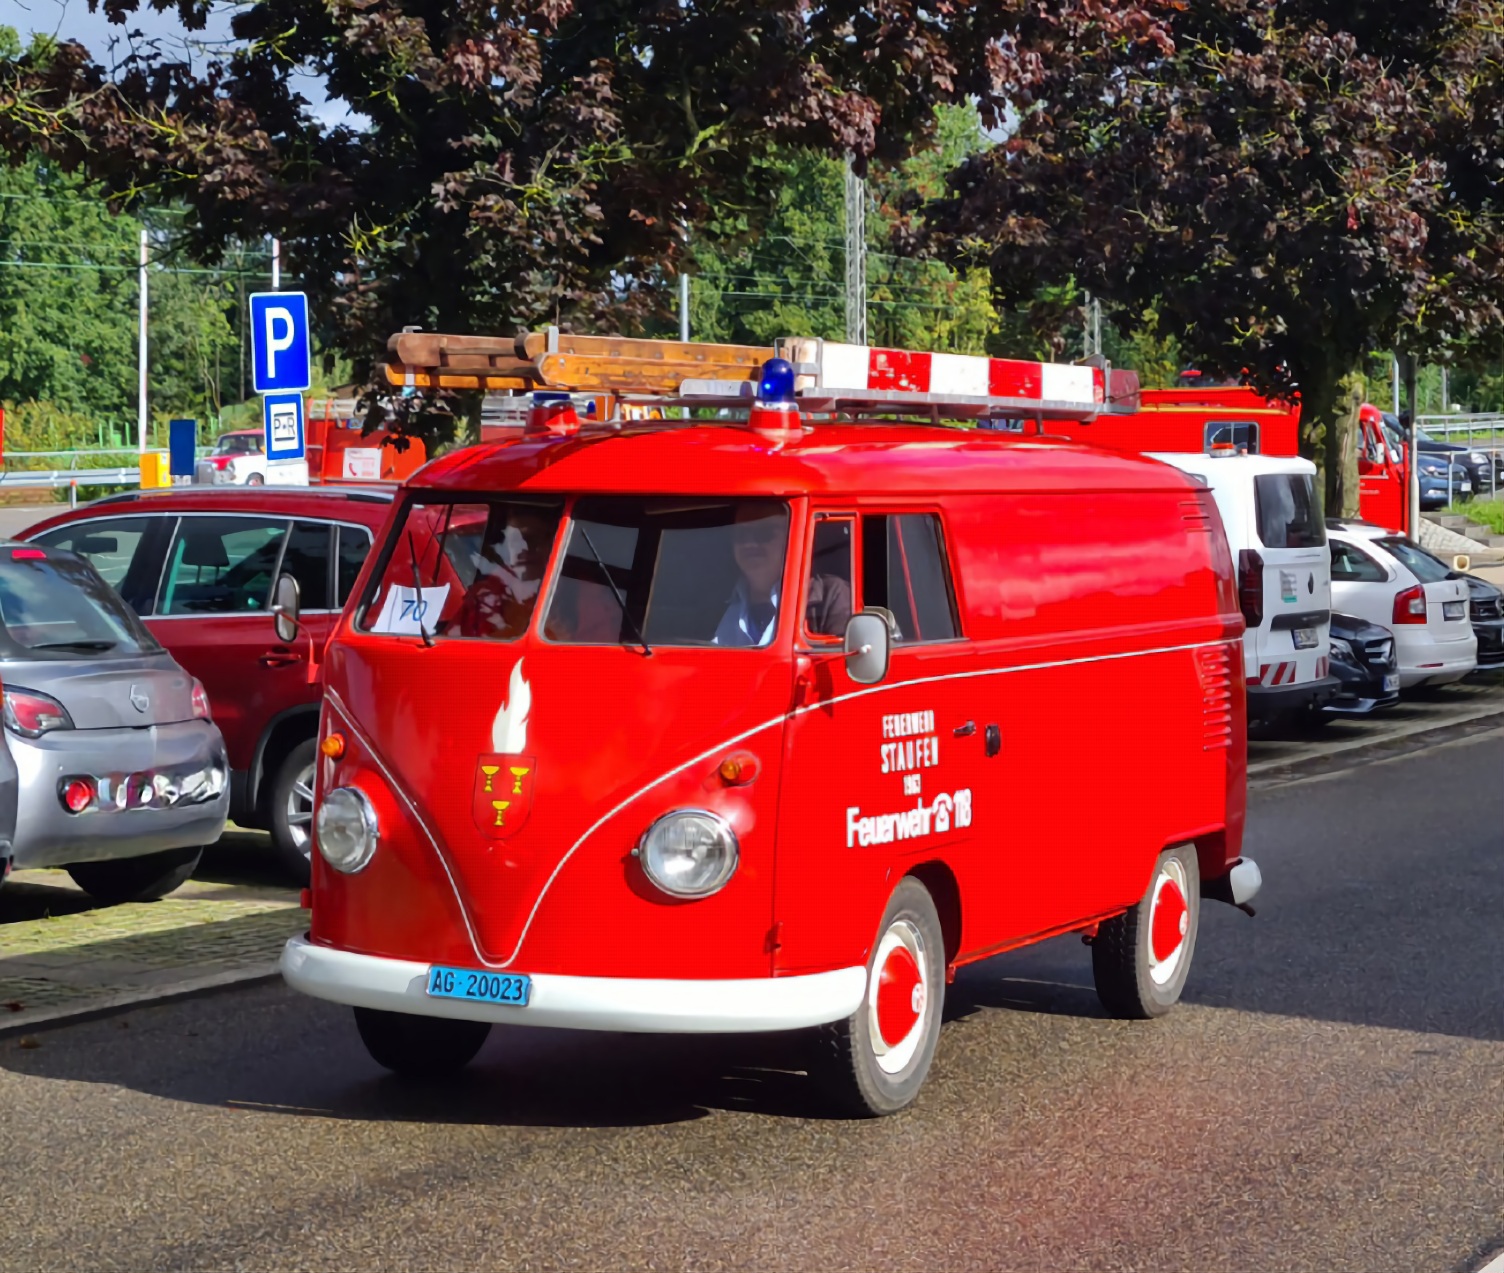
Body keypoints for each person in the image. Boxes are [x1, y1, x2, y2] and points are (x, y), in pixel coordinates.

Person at [714, 502, 852, 647]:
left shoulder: (831, 595)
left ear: (791, 536)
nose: (749, 543)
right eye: (741, 535)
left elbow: (843, 664)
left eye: (763, 533)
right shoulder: (714, 601)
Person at [449, 503, 559, 639]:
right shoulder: (484, 597)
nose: (522, 549)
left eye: (533, 539)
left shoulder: (575, 594)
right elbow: (447, 646)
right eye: (514, 540)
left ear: (554, 541)